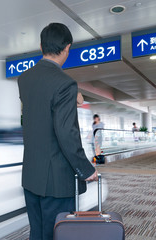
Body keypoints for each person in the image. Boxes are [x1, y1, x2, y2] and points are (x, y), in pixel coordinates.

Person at [18, 23, 98, 240]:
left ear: (41, 45)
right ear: (67, 48)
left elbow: (39, 112)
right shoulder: (65, 83)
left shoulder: (24, 79)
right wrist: (85, 169)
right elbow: (66, 133)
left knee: (38, 233)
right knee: (57, 234)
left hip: (31, 176)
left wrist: (74, 96)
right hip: (57, 180)